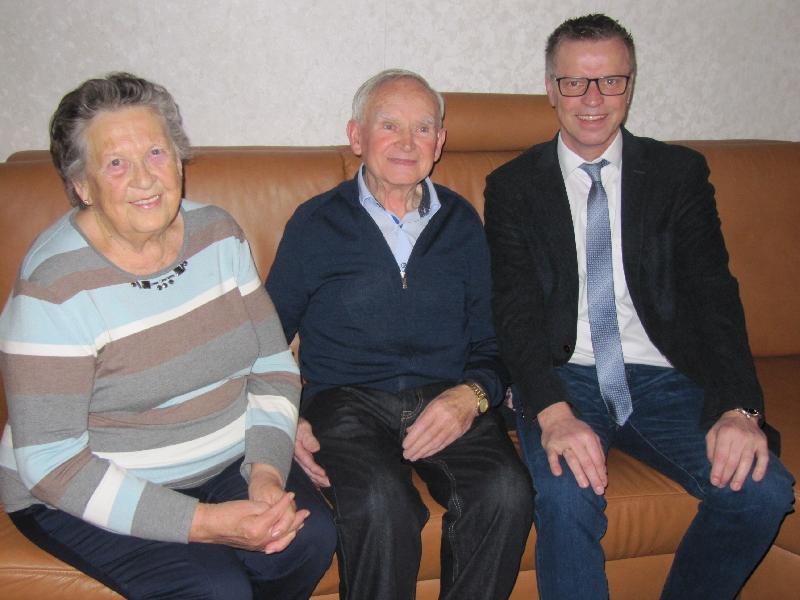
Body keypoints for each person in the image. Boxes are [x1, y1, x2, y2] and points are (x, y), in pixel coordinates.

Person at [483, 14, 794, 600]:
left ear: (632, 84)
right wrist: (550, 412)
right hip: (564, 375)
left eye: (611, 81)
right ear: (551, 88)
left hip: (662, 378)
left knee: (764, 491)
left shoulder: (678, 174)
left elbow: (713, 294)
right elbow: (514, 311)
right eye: (575, 82)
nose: (593, 100)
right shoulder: (513, 186)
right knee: (563, 491)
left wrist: (739, 407)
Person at [0, 73, 336, 599]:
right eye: (116, 163)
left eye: (157, 152)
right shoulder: (53, 288)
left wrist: (267, 472)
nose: (144, 179)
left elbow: (272, 364)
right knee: (215, 589)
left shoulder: (218, 234)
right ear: (82, 186)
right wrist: (205, 523)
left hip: (222, 457)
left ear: (179, 159)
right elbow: (52, 463)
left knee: (308, 537)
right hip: (81, 483)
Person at [266, 69, 532, 599]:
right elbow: (264, 337)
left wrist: (470, 396)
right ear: (356, 137)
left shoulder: (463, 224)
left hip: (444, 394)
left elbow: (492, 343)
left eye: (423, 128)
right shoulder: (315, 223)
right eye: (389, 126)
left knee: (505, 491)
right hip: (345, 402)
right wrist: (282, 417)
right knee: (379, 503)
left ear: (441, 142)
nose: (408, 143)